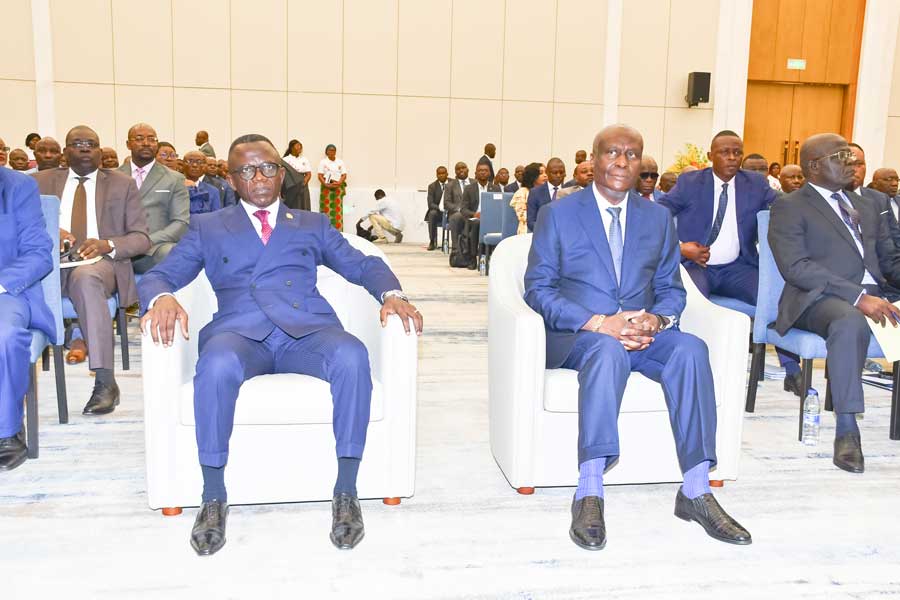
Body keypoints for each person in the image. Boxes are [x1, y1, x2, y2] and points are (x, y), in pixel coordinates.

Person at [138, 133, 424, 556]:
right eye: (247, 170)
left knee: (351, 354)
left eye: (268, 167)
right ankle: (213, 497)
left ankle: (346, 491)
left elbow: (361, 264)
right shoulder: (208, 227)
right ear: (232, 179)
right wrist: (162, 297)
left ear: (280, 172)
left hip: (306, 331)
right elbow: (161, 274)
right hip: (239, 333)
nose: (259, 177)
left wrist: (392, 293)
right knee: (215, 365)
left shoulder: (311, 224)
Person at [525, 124, 751, 551]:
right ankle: (589, 489)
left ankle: (696, 490)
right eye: (612, 152)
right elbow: (538, 288)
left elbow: (671, 287)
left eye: (631, 155)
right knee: (607, 351)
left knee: (690, 349)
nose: (622, 162)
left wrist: (658, 320)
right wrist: (599, 322)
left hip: (643, 334)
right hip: (582, 337)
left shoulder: (657, 217)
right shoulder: (559, 214)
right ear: (594, 159)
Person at [769, 133, 900, 474]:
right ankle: (847, 430)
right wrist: (858, 297)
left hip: (876, 293)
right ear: (814, 166)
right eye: (840, 157)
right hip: (817, 298)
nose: (851, 162)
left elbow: (889, 260)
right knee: (849, 319)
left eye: (851, 156)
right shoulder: (789, 206)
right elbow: (796, 267)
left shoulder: (867, 205)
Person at [659, 131, 802, 395]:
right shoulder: (690, 182)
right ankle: (689, 367)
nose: (732, 158)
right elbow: (656, 215)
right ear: (710, 156)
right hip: (696, 266)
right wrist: (680, 247)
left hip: (737, 267)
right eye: (725, 152)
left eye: (737, 152)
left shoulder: (755, 183)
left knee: (777, 299)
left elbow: (785, 206)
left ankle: (792, 370)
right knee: (691, 306)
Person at [33, 125, 150, 415]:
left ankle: (105, 381)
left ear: (99, 150)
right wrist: (51, 231)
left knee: (86, 279)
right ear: (64, 152)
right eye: (77, 143)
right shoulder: (38, 182)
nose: (85, 148)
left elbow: (141, 238)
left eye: (91, 143)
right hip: (50, 265)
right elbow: (21, 227)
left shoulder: (122, 184)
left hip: (101, 265)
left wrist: (106, 244)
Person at [0, 168, 54, 471]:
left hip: (6, 291)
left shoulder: (17, 187)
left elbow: (38, 253)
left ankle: (6, 431)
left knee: (4, 336)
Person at [118, 123, 190, 274]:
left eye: (151, 139)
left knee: (172, 253)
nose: (146, 143)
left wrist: (147, 241)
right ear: (128, 144)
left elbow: (181, 222)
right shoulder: (113, 177)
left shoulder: (174, 179)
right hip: (118, 248)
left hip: (154, 248)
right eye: (139, 139)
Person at [845, 144, 900, 250]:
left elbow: (892, 241)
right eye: (848, 164)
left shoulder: (881, 199)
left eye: (859, 164)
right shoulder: (825, 198)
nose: (854, 170)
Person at [453, 163, 501, 269]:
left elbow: (499, 206)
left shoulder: (496, 188)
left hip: (491, 219)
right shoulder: (469, 188)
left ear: (489, 173)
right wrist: (474, 214)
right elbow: (463, 209)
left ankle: (488, 256)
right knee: (476, 224)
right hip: (474, 219)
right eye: (480, 170)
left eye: (485, 170)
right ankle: (473, 258)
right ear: (475, 173)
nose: (483, 172)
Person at [526, 157, 566, 232]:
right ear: (547, 172)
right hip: (543, 234)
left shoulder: (571, 191)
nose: (558, 175)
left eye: (561, 172)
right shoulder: (535, 193)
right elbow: (531, 221)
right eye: (555, 172)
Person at [511, 163, 546, 235]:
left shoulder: (547, 192)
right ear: (532, 176)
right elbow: (523, 216)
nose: (545, 175)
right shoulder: (522, 192)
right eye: (541, 173)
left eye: (546, 172)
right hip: (527, 230)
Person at [317, 144, 347, 229]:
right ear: (326, 152)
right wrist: (325, 184)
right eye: (330, 150)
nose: (332, 152)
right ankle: (325, 229)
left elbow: (344, 175)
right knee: (326, 209)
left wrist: (339, 182)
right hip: (326, 188)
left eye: (333, 150)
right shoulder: (323, 162)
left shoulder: (340, 162)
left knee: (337, 210)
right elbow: (320, 175)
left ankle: (338, 230)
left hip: (338, 187)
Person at [282, 139, 311, 210]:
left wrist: (304, 182)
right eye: (297, 146)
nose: (300, 147)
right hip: (290, 185)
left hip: (303, 184)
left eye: (300, 146)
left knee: (304, 204)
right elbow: (283, 174)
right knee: (292, 205)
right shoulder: (285, 160)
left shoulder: (304, 159)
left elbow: (308, 174)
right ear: (291, 148)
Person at [425, 165, 449, 250]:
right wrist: (441, 208)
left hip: (451, 212)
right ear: (436, 175)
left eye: (443, 173)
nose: (441, 175)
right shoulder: (432, 186)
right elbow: (430, 204)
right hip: (439, 213)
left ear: (447, 174)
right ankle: (432, 241)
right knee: (432, 213)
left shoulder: (453, 183)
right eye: (439, 173)